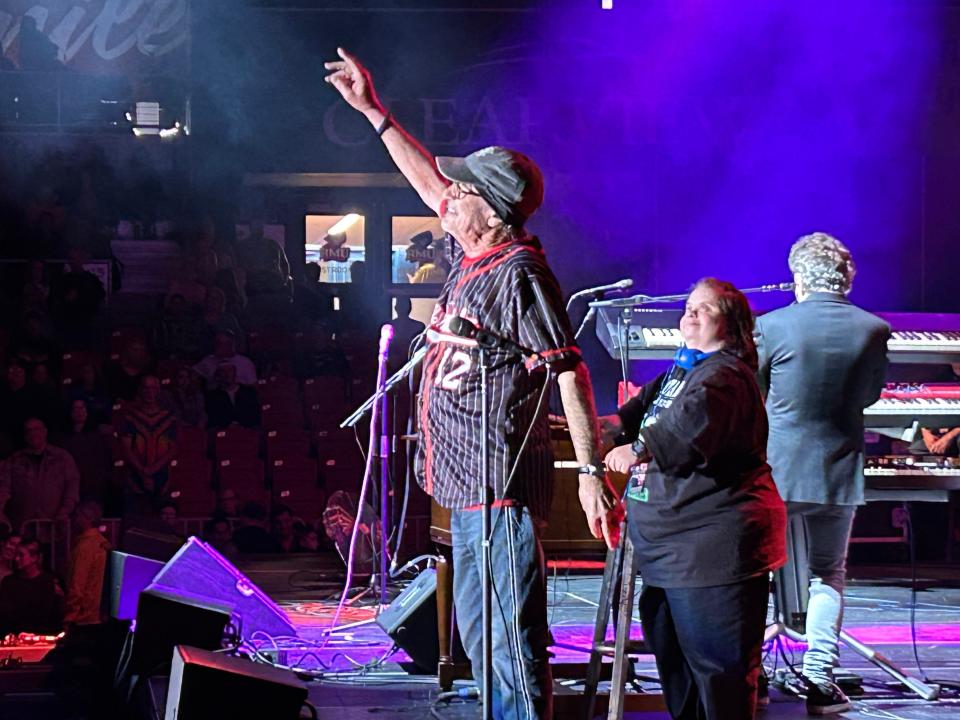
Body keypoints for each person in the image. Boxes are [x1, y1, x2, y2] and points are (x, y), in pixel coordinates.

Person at [325, 48, 620, 720]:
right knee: (479, 638)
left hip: (498, 487)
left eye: (460, 191)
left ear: (489, 208)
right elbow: (427, 179)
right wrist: (375, 114)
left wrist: (587, 472)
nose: (445, 195)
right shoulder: (474, 249)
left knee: (510, 644)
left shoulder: (520, 273)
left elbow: (568, 367)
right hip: (463, 488)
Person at [602, 278, 786, 720]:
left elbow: (682, 429)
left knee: (719, 675)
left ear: (733, 324)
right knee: (678, 670)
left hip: (711, 553)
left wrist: (636, 450)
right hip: (670, 552)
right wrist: (584, 428)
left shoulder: (725, 375)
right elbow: (629, 419)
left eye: (705, 308)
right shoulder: (681, 372)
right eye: (688, 306)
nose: (691, 314)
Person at [754, 232, 890, 715]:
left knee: (754, 569)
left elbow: (756, 391)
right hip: (838, 469)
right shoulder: (873, 328)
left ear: (797, 277)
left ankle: (748, 674)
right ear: (847, 277)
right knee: (827, 573)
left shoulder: (772, 326)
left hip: (778, 469)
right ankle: (818, 676)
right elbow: (870, 397)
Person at [0, 418, 80, 536]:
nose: (33, 433)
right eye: (29, 431)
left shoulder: (62, 458)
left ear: (45, 432)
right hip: (23, 528)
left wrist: (64, 511)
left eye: (36, 429)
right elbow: (3, 488)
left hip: (54, 527)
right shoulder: (14, 461)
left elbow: (72, 487)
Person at [118, 376, 178, 518]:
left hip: (162, 476)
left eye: (153, 388)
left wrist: (152, 469)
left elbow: (173, 448)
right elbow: (127, 448)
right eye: (146, 388)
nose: (150, 392)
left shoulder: (169, 419)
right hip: (135, 476)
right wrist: (143, 471)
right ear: (141, 390)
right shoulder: (130, 417)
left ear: (158, 391)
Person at [0, 539, 63, 636]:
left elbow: (47, 614)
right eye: (16, 555)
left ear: (34, 557)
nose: (16, 559)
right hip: (14, 635)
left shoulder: (47, 582)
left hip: (41, 635)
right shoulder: (9, 582)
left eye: (21, 555)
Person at [63, 500, 110, 626]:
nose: (74, 520)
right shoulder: (104, 543)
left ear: (88, 518)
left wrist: (70, 615)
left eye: (77, 515)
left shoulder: (84, 547)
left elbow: (77, 584)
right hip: (99, 612)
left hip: (83, 616)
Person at [193, 330, 257, 389]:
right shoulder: (208, 361)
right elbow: (193, 374)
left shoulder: (245, 363)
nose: (221, 347)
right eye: (218, 343)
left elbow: (253, 386)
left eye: (226, 343)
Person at [205, 363, 261, 429]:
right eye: (223, 371)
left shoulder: (249, 392)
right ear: (218, 375)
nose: (227, 374)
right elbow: (214, 417)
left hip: (249, 430)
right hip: (224, 432)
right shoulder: (213, 397)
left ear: (235, 373)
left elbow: (255, 414)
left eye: (229, 370)